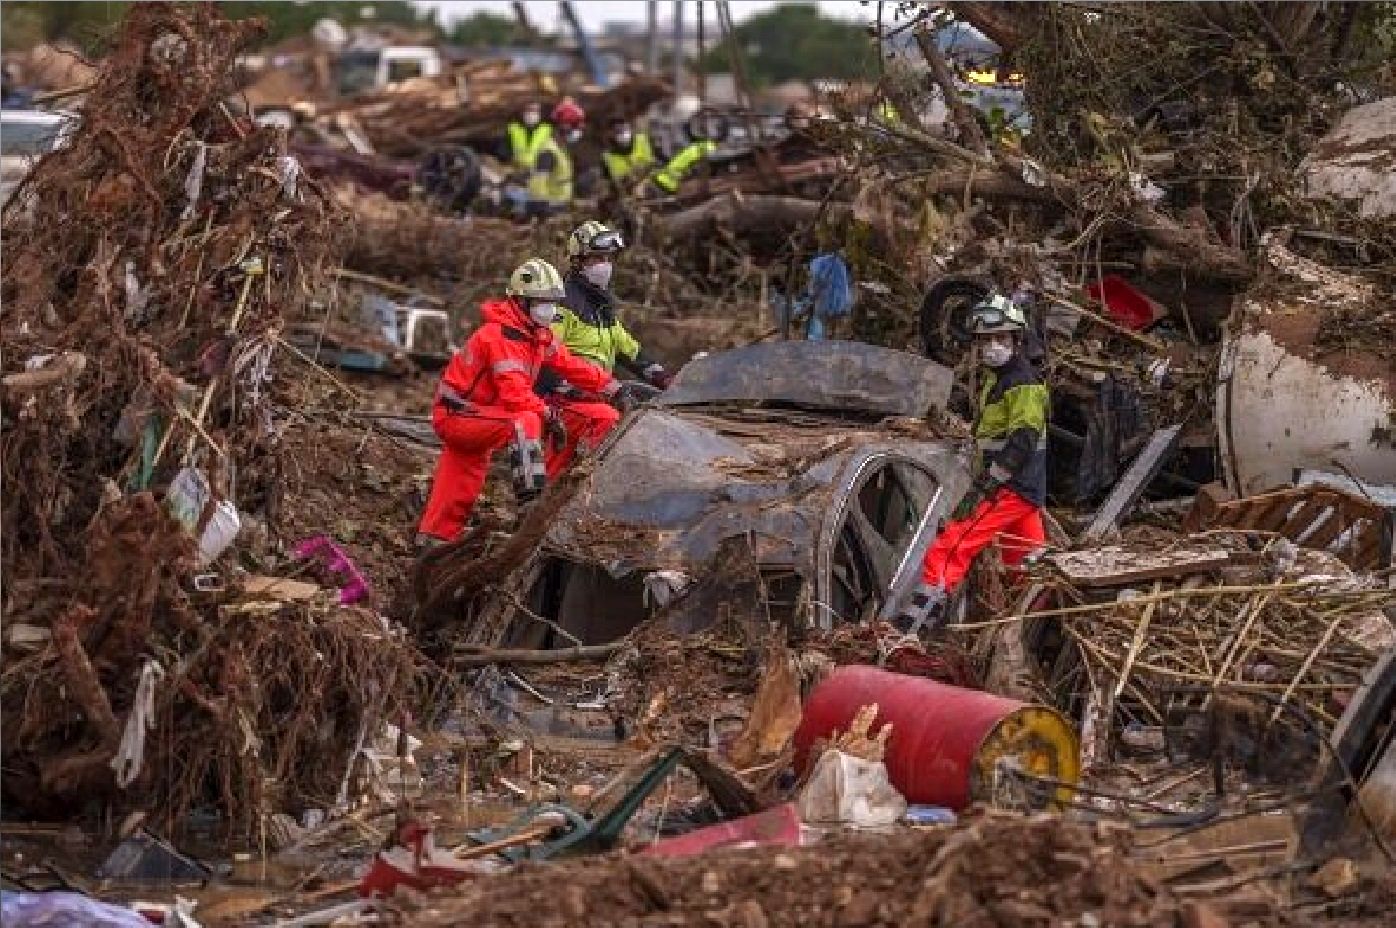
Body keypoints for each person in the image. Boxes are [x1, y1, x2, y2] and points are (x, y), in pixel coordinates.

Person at [416, 258, 625, 546]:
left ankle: (433, 540)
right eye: (543, 302)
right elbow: (515, 395)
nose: (550, 309)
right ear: (522, 301)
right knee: (524, 421)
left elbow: (571, 364)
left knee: (459, 481)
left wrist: (612, 387)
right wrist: (548, 414)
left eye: (553, 302)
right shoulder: (502, 336)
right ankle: (531, 505)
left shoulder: (535, 334)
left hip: (479, 414)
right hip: (460, 415)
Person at [895, 294, 1048, 633]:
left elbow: (1023, 439)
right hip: (1026, 489)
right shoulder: (1000, 377)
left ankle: (909, 634)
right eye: (986, 341)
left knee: (950, 546)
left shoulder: (1022, 383)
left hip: (1011, 486)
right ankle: (1033, 631)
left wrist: (989, 483)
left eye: (1001, 339)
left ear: (1016, 341)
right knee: (1027, 565)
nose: (993, 347)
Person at [538, 221, 672, 476]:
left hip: (597, 394)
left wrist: (663, 377)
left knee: (556, 470)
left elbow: (628, 349)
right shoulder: (565, 302)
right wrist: (573, 391)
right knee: (605, 422)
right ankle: (582, 485)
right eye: (597, 258)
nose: (605, 265)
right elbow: (546, 355)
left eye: (608, 258)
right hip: (564, 399)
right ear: (578, 261)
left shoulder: (602, 307)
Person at [600, 117, 656, 187]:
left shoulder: (644, 140)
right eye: (618, 131)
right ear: (610, 134)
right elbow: (608, 183)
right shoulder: (607, 158)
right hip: (626, 192)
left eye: (624, 129)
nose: (622, 133)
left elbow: (657, 164)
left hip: (652, 186)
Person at [502, 101, 552, 176]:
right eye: (528, 110)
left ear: (540, 113)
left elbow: (551, 151)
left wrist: (543, 168)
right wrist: (508, 164)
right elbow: (505, 149)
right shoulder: (513, 128)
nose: (531, 114)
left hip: (538, 172)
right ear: (523, 112)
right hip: (517, 170)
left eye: (535, 111)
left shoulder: (546, 129)